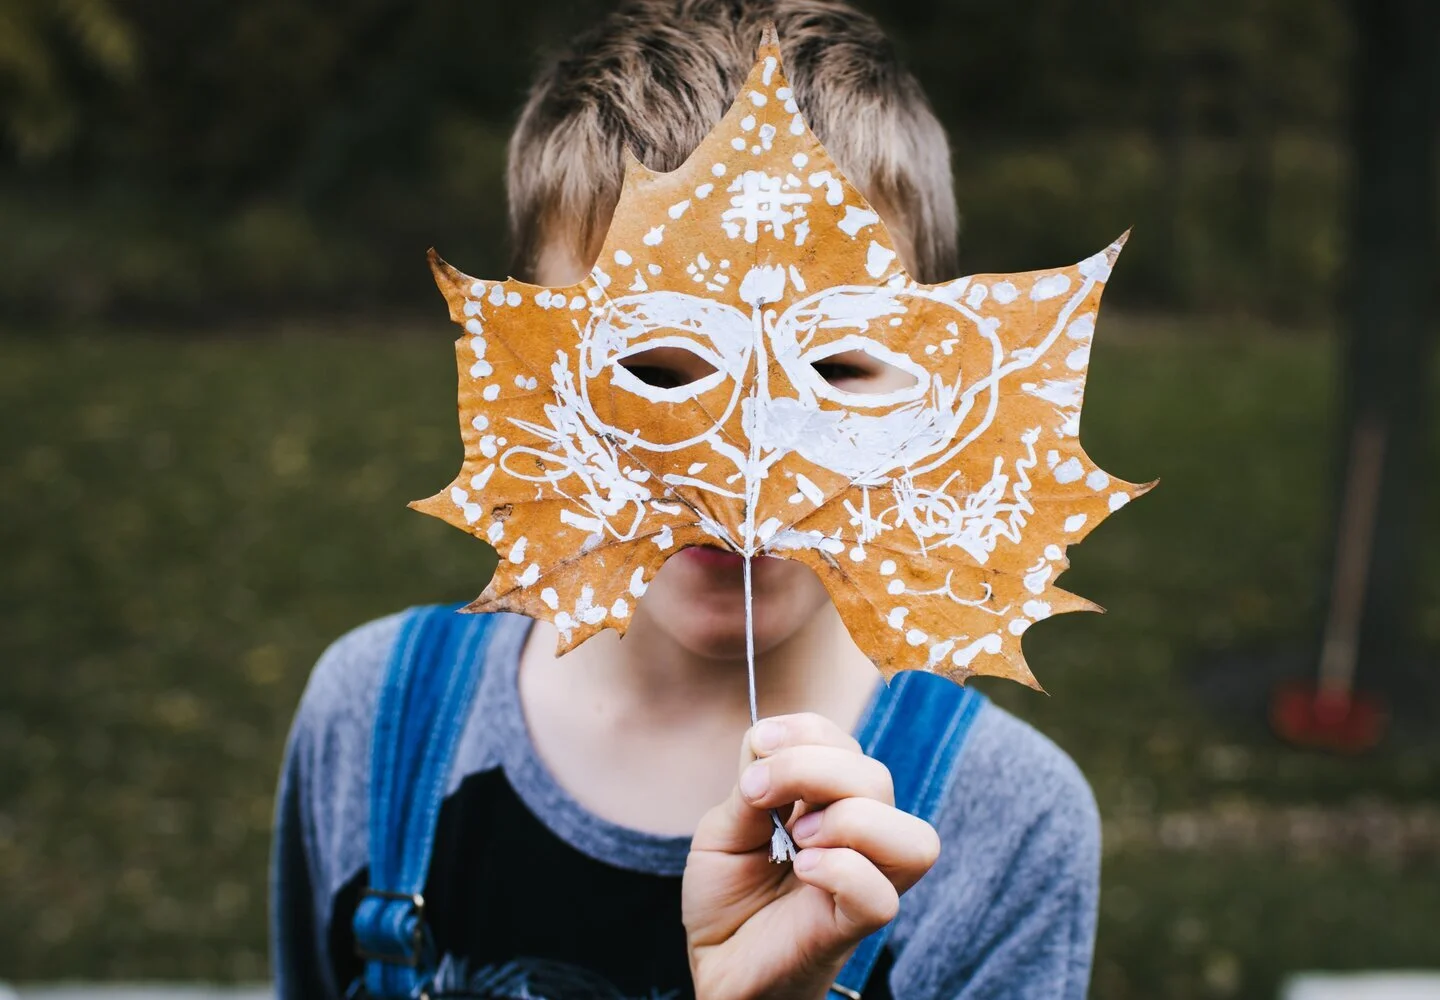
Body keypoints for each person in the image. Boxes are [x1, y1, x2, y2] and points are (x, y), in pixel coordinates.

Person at [270, 2, 1101, 998]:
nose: (738, 469)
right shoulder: (372, 721)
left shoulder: (1007, 825)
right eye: (660, 370)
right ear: (533, 375)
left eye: (835, 366)